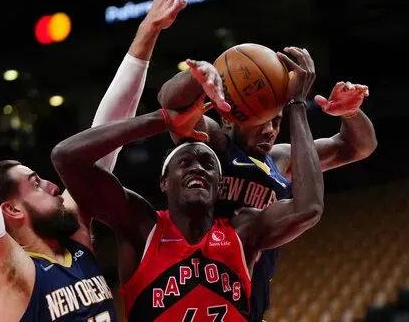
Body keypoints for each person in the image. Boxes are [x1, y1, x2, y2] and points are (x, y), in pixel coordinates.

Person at [0, 0, 186, 320]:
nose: (54, 186)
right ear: (11, 210)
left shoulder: (74, 236)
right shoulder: (8, 271)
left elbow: (107, 134)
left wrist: (150, 27)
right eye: (36, 183)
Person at [50, 49, 324, 321]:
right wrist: (164, 119)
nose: (197, 167)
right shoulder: (142, 228)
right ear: (164, 182)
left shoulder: (242, 231)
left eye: (208, 164)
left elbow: (308, 207)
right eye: (185, 162)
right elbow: (66, 157)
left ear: (218, 186)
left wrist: (297, 104)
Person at [157, 49, 377, 321]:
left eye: (276, 121)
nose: (270, 131)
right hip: (194, 289)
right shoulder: (213, 144)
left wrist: (352, 113)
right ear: (230, 118)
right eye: (262, 120)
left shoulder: (281, 159)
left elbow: (359, 146)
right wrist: (197, 78)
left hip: (248, 304)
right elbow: (171, 104)